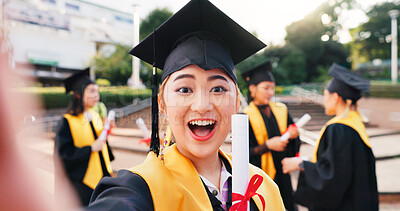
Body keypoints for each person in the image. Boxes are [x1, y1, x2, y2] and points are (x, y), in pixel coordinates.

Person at [87, 0, 285, 210]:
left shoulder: (264, 188)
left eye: (218, 89)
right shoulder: (142, 188)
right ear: (162, 103)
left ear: (237, 102)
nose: (202, 106)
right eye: (184, 89)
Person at [281, 63, 379, 211]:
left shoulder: (338, 129)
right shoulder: (355, 123)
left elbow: (332, 177)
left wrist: (301, 164)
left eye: (325, 95)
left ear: (335, 97)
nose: (324, 100)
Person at [242, 61, 301, 211]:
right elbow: (241, 154)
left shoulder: (282, 110)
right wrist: (267, 146)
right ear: (253, 88)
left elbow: (293, 145)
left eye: (272, 88)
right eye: (266, 88)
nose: (271, 93)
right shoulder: (244, 117)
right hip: (259, 177)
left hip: (283, 174)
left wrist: (293, 136)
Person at [54, 69, 114, 206]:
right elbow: (63, 156)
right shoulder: (67, 121)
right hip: (81, 183)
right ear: (78, 95)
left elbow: (100, 141)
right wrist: (91, 148)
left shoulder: (95, 115)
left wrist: (107, 130)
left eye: (97, 91)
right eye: (92, 91)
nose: (96, 95)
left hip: (102, 176)